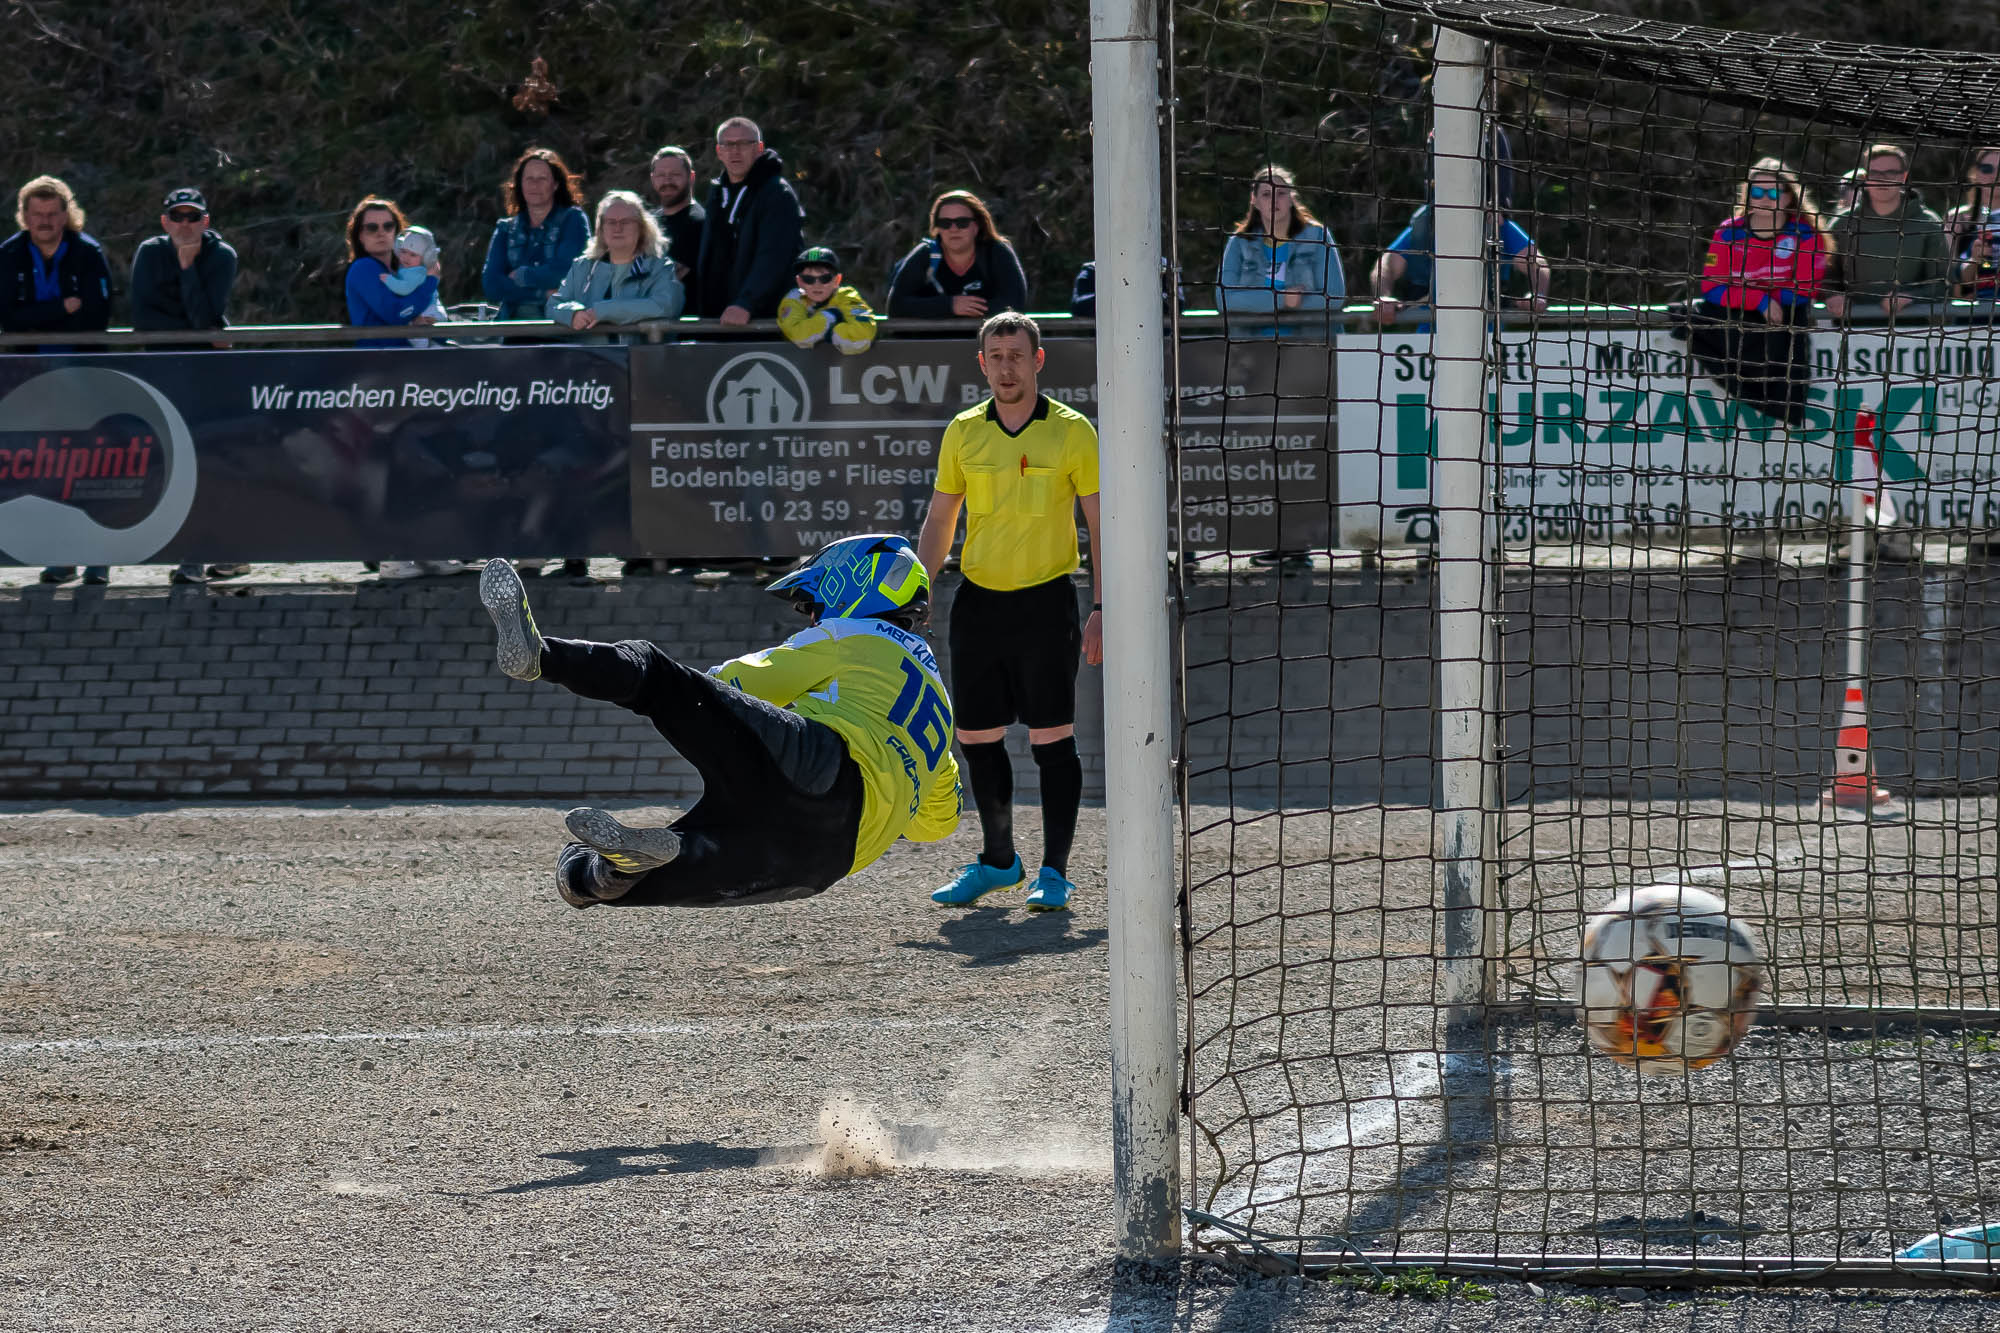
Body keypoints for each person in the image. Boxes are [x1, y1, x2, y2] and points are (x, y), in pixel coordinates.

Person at [476, 538, 960, 909]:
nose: (812, 617)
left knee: (657, 674)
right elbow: (937, 824)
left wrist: (695, 702)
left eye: (813, 606)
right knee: (679, 860)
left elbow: (731, 683)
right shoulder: (939, 703)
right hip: (829, 860)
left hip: (822, 765)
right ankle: (592, 875)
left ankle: (542, 656)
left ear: (854, 585)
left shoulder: (854, 634)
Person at [916, 313, 1100, 913]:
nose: (1006, 367)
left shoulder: (1073, 431)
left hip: (1047, 603)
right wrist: (917, 590)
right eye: (995, 357)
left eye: (1017, 355)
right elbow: (941, 517)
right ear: (982, 364)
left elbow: (1101, 524)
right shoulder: (964, 430)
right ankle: (999, 862)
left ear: (1038, 360)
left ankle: (1055, 873)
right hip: (978, 603)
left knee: (1052, 737)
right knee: (975, 735)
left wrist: (1103, 605)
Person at [2, 176, 114, 586]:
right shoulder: (9, 255)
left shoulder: (88, 253)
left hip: (83, 374)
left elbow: (97, 316)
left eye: (52, 213)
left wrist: (36, 315)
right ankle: (62, 558)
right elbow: (7, 319)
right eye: (37, 214)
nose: (45, 221)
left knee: (92, 467)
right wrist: (60, 309)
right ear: (24, 216)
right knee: (47, 468)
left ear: (66, 214)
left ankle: (98, 557)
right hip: (30, 378)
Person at [130, 186, 244, 584]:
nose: (184, 224)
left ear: (205, 221)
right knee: (171, 466)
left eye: (192, 217)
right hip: (164, 374)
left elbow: (201, 320)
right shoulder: (148, 252)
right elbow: (144, 320)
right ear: (165, 222)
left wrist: (186, 268)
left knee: (211, 462)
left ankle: (209, 553)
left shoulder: (222, 255)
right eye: (176, 217)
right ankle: (202, 549)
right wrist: (205, 327)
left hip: (208, 376)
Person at [1684, 157, 1830, 429]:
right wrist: (1759, 301)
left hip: (1782, 322)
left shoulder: (1805, 235)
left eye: (1773, 193)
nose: (1764, 199)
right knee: (1689, 317)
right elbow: (1712, 287)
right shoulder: (1728, 232)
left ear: (1788, 197)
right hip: (1739, 319)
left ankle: (1781, 406)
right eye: (1757, 192)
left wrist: (1772, 301)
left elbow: (1805, 289)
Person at [694, 117, 804, 323]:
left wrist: (747, 303)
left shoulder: (777, 193)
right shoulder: (717, 194)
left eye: (744, 143)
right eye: (728, 144)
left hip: (759, 320)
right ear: (719, 151)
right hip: (717, 319)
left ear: (759, 148)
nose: (735, 151)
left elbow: (774, 256)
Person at [1215, 165, 1346, 338]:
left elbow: (1334, 298)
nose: (1274, 200)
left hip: (1311, 344)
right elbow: (1224, 299)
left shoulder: (1317, 236)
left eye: (1281, 193)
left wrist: (1268, 303)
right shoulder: (1239, 242)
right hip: (1251, 346)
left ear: (1291, 198)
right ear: (1254, 200)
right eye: (1266, 194)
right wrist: (1282, 300)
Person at [1371, 200, 1549, 325]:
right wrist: (1383, 297)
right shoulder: (1427, 224)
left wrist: (1537, 295)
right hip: (1431, 335)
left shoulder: (1496, 224)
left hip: (1487, 335)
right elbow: (1385, 265)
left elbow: (1537, 263)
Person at [1824, 143, 1946, 323]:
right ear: (1865, 177)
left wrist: (1910, 297)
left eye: (1891, 173)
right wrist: (1832, 294)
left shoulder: (1928, 223)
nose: (1883, 180)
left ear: (1904, 177)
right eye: (1875, 173)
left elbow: (1942, 283)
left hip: (1910, 329)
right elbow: (1824, 275)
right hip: (1849, 328)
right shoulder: (1841, 223)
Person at [548, 190, 684, 341]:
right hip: (587, 355)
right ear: (601, 229)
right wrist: (573, 313)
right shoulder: (583, 266)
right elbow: (554, 305)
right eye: (611, 222)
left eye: (625, 222)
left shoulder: (659, 267)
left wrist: (603, 311)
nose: (617, 228)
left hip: (638, 355)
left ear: (641, 228)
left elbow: (667, 305)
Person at [481, 148, 591, 322]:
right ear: (520, 184)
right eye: (529, 179)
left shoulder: (573, 220)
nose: (535, 185)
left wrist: (522, 275)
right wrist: (543, 293)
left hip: (561, 324)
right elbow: (491, 284)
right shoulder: (506, 229)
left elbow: (567, 273)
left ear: (555, 184)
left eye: (542, 179)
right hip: (512, 325)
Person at [886, 191, 1029, 322]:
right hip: (931, 340)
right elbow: (895, 306)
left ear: (977, 226)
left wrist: (970, 308)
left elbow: (1015, 305)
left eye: (962, 223)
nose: (953, 229)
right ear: (938, 228)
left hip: (984, 339)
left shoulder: (997, 252)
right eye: (945, 223)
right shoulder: (925, 254)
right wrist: (950, 305)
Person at [344, 196, 439, 345]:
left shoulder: (402, 271)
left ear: (396, 232)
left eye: (388, 226)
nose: (381, 233)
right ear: (360, 235)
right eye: (372, 228)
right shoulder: (363, 268)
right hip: (380, 357)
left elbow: (418, 311)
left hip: (408, 356)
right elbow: (397, 314)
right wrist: (431, 281)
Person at [776, 246, 876, 354]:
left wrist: (832, 333)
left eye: (825, 278)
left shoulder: (847, 295)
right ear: (800, 282)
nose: (817, 285)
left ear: (837, 280)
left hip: (844, 364)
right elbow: (799, 336)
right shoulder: (794, 299)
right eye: (808, 279)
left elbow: (863, 336)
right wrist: (830, 316)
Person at [1943, 146, 2000, 298]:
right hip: (1972, 308)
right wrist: (1973, 260)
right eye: (1987, 169)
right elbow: (1949, 277)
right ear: (1976, 173)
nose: (1996, 175)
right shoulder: (1957, 218)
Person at [647, 145, 705, 288]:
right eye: (661, 175)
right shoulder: (649, 222)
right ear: (653, 179)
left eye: (675, 174)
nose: (667, 181)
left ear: (691, 177)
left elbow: (668, 278)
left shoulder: (699, 224)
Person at [381, 226, 440, 297]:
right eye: (403, 251)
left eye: (413, 255)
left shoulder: (418, 273)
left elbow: (404, 289)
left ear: (425, 258)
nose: (406, 257)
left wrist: (389, 280)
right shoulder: (409, 268)